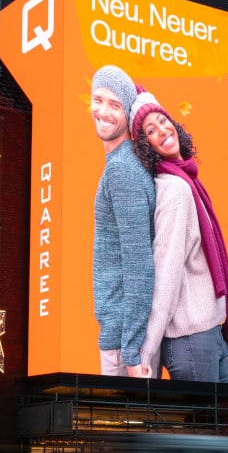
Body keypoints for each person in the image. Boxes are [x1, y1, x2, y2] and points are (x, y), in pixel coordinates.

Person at [128, 91, 228, 384]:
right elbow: (165, 273)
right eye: (150, 131)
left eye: (162, 120)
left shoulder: (189, 180)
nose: (162, 131)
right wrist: (146, 352)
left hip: (209, 333)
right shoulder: (176, 191)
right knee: (206, 427)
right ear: (146, 147)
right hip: (190, 339)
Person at [91, 65, 156, 377]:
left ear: (128, 113)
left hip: (123, 345)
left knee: (120, 426)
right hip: (124, 337)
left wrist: (131, 352)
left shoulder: (122, 171)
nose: (102, 111)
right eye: (97, 99)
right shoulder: (123, 164)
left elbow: (139, 265)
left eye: (114, 105)